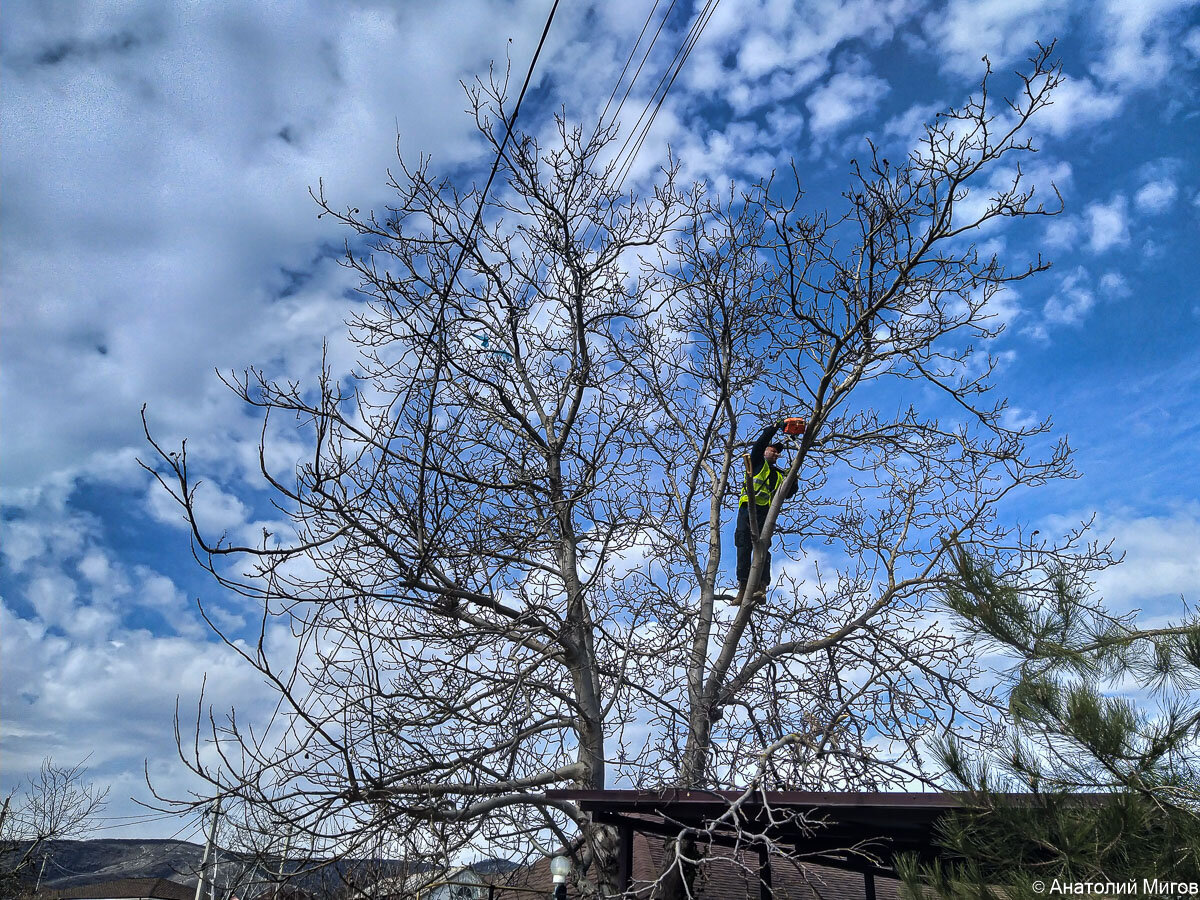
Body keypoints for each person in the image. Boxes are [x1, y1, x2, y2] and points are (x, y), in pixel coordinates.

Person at [734, 420, 798, 601]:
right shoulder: (756, 462)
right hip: (748, 510)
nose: (776, 453)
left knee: (763, 550)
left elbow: (790, 493)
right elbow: (761, 442)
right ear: (765, 452)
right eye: (773, 449)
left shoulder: (780, 474)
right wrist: (776, 427)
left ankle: (761, 586)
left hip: (766, 514)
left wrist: (794, 475)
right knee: (743, 545)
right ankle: (743, 586)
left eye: (778, 452)